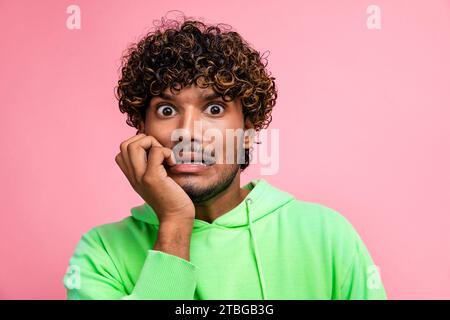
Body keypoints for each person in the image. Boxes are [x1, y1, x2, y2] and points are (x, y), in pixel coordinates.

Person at [63, 14, 387, 300]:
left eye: (214, 109)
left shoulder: (325, 235)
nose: (187, 131)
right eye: (166, 109)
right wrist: (175, 223)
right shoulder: (101, 252)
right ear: (141, 129)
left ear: (248, 127)